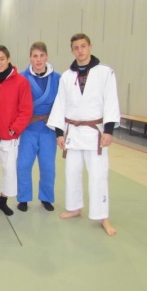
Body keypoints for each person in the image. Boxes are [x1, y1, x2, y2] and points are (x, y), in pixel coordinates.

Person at [47, 33, 120, 236]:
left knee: (98, 176)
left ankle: (102, 216)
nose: (80, 50)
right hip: (73, 133)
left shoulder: (105, 72)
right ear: (72, 50)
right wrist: (59, 134)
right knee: (72, 173)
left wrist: (109, 130)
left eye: (83, 46)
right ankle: (74, 207)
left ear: (90, 47)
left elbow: (111, 101)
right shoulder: (67, 77)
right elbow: (60, 105)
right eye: (76, 47)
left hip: (95, 133)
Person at [0, 45, 33, 216]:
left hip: (10, 135)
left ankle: (4, 199)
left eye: (2, 59)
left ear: (8, 59)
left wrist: (13, 129)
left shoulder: (21, 82)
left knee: (9, 168)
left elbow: (26, 110)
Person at [16, 42, 61, 212]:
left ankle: (46, 197)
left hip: (49, 129)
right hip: (28, 129)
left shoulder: (58, 78)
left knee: (48, 166)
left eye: (42, 55)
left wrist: (61, 129)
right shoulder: (21, 78)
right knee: (23, 165)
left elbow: (63, 103)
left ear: (47, 57)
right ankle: (23, 198)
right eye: (35, 56)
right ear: (30, 58)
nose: (38, 59)